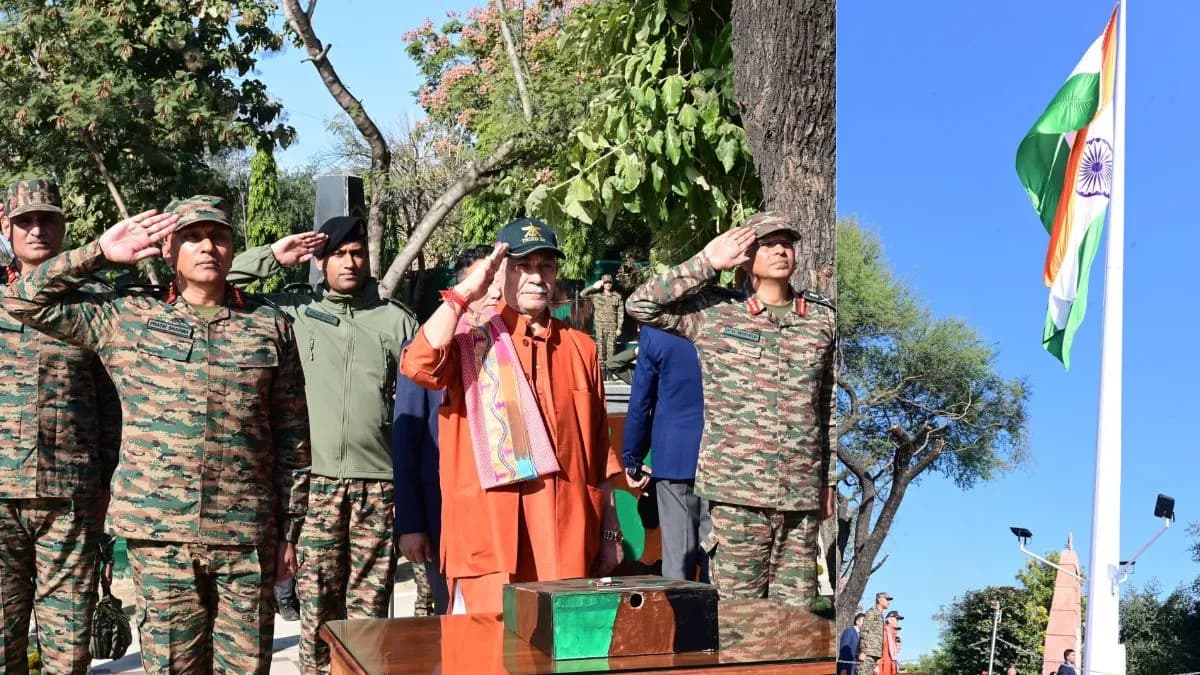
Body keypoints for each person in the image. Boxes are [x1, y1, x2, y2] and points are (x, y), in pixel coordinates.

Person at [4, 196, 310, 673]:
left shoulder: (268, 326)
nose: (207, 246)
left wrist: (290, 532)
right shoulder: (127, 317)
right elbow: (22, 299)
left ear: (233, 248)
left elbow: (293, 438)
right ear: (168, 249)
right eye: (192, 237)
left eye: (219, 236)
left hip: (246, 536)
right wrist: (99, 252)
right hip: (160, 537)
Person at [400, 217, 624, 614]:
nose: (536, 277)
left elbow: (599, 456)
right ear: (500, 272)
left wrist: (609, 532)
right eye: (522, 266)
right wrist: (467, 292)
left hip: (564, 544)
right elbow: (419, 363)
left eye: (546, 266)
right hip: (488, 543)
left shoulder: (581, 349)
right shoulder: (472, 341)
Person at [228, 216, 418, 672]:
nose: (350, 262)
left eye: (357, 253)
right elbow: (224, 284)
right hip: (315, 487)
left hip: (378, 487)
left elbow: (423, 404)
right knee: (316, 610)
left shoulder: (396, 321)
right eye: (338, 254)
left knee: (369, 613)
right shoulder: (293, 311)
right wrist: (275, 255)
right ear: (319, 260)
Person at [626, 211, 836, 606]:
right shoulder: (716, 314)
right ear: (745, 254)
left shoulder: (821, 321)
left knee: (794, 623)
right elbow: (641, 305)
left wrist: (828, 480)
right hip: (736, 495)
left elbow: (826, 406)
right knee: (739, 619)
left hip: (800, 497)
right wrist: (706, 262)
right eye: (768, 243)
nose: (780, 250)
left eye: (787, 243)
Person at [0, 179, 121, 674]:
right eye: (25, 220)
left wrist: (109, 481)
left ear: (63, 225)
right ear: (4, 227)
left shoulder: (94, 302)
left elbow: (112, 402)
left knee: (68, 647)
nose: (37, 229)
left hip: (70, 496)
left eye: (47, 218)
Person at [392, 246, 500, 617]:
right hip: (443, 516)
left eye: (496, 286)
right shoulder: (426, 354)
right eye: (480, 287)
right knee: (454, 617)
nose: (490, 297)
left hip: (499, 519)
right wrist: (410, 524)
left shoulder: (509, 354)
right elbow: (406, 446)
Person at [621, 325, 710, 582]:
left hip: (674, 458)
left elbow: (641, 402)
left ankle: (682, 621)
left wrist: (632, 458)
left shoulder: (657, 334)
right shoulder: (721, 319)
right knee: (717, 557)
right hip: (721, 456)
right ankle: (718, 620)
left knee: (678, 559)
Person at [581, 273, 623, 372]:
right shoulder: (596, 296)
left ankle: (611, 370)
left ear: (612, 284)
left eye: (610, 282)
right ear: (602, 284)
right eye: (606, 283)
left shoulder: (617, 297)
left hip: (612, 327)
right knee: (600, 349)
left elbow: (621, 313)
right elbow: (582, 294)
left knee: (611, 350)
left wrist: (619, 328)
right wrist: (593, 287)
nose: (608, 284)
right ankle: (602, 371)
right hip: (600, 327)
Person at [860, 591, 892, 673]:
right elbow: (865, 631)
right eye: (887, 599)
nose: (889, 602)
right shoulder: (872, 612)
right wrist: (863, 651)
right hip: (868, 653)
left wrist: (878, 657)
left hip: (875, 654)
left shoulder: (881, 615)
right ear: (879, 600)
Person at [880, 610, 903, 675]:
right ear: (890, 619)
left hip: (892, 662)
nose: (897, 621)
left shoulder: (896, 634)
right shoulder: (883, 631)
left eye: (898, 620)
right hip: (883, 662)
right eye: (896, 619)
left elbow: (896, 652)